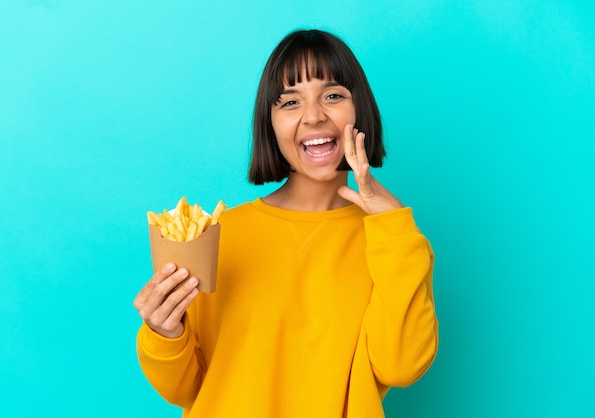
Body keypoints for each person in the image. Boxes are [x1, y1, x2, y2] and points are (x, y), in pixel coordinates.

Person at [134, 29, 438, 417]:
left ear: (360, 110)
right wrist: (164, 333)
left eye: (333, 96)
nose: (313, 116)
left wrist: (394, 225)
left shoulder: (396, 241)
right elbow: (185, 388)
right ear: (271, 124)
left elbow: (401, 365)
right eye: (290, 102)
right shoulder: (216, 235)